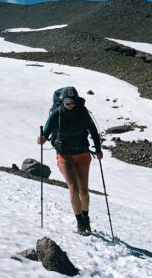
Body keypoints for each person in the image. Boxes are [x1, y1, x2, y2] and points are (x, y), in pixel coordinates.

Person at [37, 85, 103, 235]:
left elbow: (94, 132)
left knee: (84, 191)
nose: (70, 104)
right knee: (74, 188)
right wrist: (42, 139)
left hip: (82, 154)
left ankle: (86, 219)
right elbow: (46, 132)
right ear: (62, 101)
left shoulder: (82, 113)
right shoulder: (57, 113)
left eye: (72, 100)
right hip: (64, 155)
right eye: (67, 101)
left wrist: (98, 150)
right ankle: (80, 223)